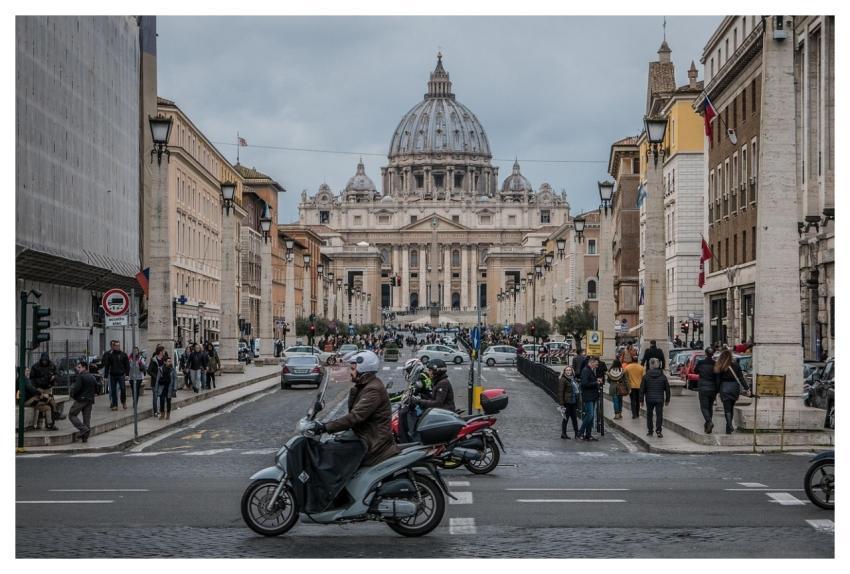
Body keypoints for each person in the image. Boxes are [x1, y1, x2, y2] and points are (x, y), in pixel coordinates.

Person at [311, 351, 400, 467]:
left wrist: (325, 427)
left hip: (373, 442)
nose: (350, 372)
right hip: (365, 435)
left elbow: (354, 417)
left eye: (353, 369)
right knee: (333, 445)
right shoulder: (365, 386)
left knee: (332, 453)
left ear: (363, 370)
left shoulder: (373, 390)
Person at [714, 349, 751, 434]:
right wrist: (747, 388)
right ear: (730, 357)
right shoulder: (736, 365)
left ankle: (729, 425)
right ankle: (728, 428)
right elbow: (741, 378)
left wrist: (717, 391)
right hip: (734, 388)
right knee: (731, 407)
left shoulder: (720, 366)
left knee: (727, 408)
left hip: (724, 388)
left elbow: (718, 381)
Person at [29, 352, 62, 427]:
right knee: (43, 404)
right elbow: (32, 379)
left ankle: (50, 423)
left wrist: (54, 376)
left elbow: (58, 374)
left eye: (45, 361)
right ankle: (40, 424)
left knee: (49, 404)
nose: (44, 362)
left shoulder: (52, 365)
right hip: (39, 388)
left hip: (48, 387)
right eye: (43, 361)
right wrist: (36, 388)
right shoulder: (35, 366)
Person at [640, 358, 671, 438]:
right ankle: (658, 431)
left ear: (650, 365)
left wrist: (641, 400)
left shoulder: (646, 376)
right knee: (659, 415)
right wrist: (667, 399)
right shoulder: (663, 377)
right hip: (660, 399)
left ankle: (650, 431)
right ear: (658, 365)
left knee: (649, 415)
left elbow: (642, 389)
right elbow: (667, 389)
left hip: (649, 399)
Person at [68, 361, 97, 443]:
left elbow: (76, 388)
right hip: (90, 400)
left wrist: (72, 395)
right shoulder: (92, 377)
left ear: (84, 367)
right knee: (86, 419)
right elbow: (97, 387)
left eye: (79, 367)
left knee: (72, 414)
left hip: (81, 399)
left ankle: (84, 429)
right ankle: (85, 438)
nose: (78, 369)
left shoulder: (81, 376)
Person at [101, 340, 130, 411]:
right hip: (112, 375)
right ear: (113, 346)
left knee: (123, 389)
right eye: (116, 345)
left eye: (118, 345)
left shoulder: (123, 354)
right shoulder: (110, 355)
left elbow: (127, 365)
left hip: (121, 375)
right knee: (113, 391)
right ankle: (115, 405)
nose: (117, 347)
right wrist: (105, 376)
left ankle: (123, 402)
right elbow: (107, 365)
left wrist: (127, 374)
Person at [695, 348, 718, 433]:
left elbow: (695, 371)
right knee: (710, 407)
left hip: (703, 387)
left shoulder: (701, 363)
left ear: (705, 353)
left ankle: (709, 422)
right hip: (712, 388)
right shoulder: (715, 364)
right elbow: (717, 377)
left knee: (704, 407)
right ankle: (708, 426)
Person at [578, 356, 601, 441]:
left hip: (592, 396)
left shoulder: (590, 370)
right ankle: (580, 432)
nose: (597, 365)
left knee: (591, 416)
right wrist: (596, 382)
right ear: (591, 363)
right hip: (588, 396)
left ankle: (588, 435)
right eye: (596, 364)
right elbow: (584, 384)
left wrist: (596, 381)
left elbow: (589, 381)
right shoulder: (586, 370)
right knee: (590, 415)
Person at [558, 365, 580, 439]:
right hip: (567, 402)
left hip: (573, 401)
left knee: (574, 419)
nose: (568, 371)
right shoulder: (563, 380)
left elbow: (576, 390)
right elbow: (561, 392)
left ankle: (576, 434)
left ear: (572, 371)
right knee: (565, 419)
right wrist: (561, 404)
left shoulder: (572, 379)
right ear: (564, 371)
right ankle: (563, 434)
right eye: (566, 370)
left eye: (569, 370)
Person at [622, 354, 645, 419]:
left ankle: (634, 414)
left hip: (631, 386)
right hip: (639, 386)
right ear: (637, 360)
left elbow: (624, 375)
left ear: (631, 360)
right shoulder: (641, 367)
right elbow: (643, 377)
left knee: (632, 400)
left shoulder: (628, 367)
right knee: (638, 400)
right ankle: (637, 413)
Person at [158, 355, 177, 420]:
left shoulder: (172, 369)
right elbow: (158, 379)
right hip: (162, 387)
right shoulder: (160, 369)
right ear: (165, 362)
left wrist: (175, 388)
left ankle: (168, 414)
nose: (170, 362)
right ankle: (162, 414)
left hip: (169, 388)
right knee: (162, 401)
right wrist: (156, 388)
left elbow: (175, 378)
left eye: (170, 361)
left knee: (168, 401)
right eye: (168, 361)